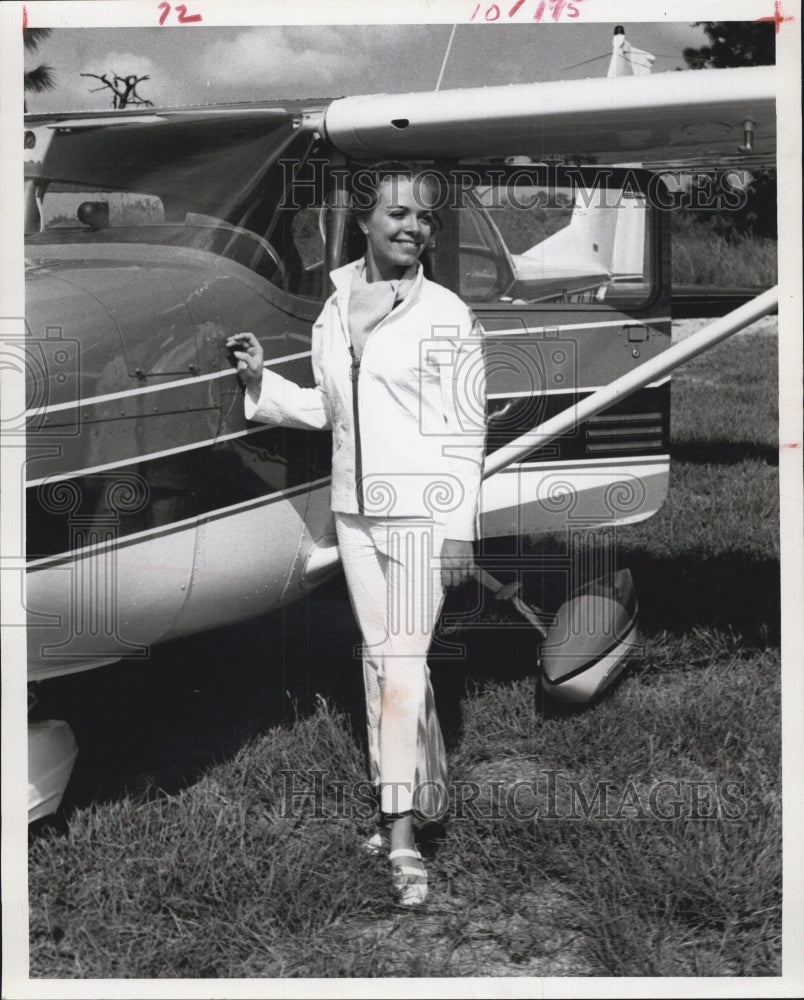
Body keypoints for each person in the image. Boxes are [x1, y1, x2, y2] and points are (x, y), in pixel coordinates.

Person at [226, 162, 486, 907]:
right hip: (355, 515)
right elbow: (330, 410)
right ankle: (410, 792)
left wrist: (458, 529)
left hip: (421, 514)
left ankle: (401, 834)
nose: (412, 228)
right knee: (380, 663)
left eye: (425, 219)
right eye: (398, 215)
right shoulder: (335, 311)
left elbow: (466, 432)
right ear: (364, 222)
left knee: (401, 664)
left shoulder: (445, 315)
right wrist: (258, 385)